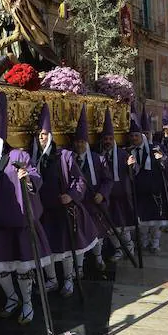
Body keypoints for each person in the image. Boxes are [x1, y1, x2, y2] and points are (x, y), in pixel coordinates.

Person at [0, 91, 51, 324]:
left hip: (19, 221)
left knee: (22, 267)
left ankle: (27, 303)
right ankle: (10, 298)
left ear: (0, 138)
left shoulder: (19, 154)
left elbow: (36, 176)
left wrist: (27, 176)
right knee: (0, 267)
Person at [32, 102, 97, 296]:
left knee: (67, 247)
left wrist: (71, 195)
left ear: (50, 136)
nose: (40, 138)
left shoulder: (65, 156)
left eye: (43, 134)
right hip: (44, 211)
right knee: (47, 248)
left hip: (63, 210)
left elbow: (80, 180)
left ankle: (68, 279)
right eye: (38, 135)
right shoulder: (33, 157)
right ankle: (51, 280)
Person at [72, 104, 113, 272]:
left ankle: (98, 258)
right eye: (78, 142)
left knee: (98, 234)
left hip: (94, 202)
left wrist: (102, 194)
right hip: (78, 205)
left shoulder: (98, 159)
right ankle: (79, 268)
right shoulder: (70, 159)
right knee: (79, 237)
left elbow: (108, 180)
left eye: (83, 142)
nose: (80, 145)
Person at [127, 111, 168, 253]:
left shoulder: (154, 149)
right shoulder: (130, 152)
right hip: (139, 191)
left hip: (155, 190)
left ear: (142, 137)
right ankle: (144, 241)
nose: (134, 138)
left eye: (136, 136)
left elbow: (166, 165)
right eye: (132, 136)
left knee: (155, 221)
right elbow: (130, 173)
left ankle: (155, 243)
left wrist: (162, 160)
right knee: (143, 221)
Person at [99, 108, 136, 261]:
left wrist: (131, 165)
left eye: (110, 138)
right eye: (105, 139)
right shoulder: (99, 156)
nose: (107, 141)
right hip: (107, 198)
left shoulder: (123, 154)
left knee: (123, 225)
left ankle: (129, 248)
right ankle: (119, 249)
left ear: (113, 139)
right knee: (109, 227)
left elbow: (133, 171)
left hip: (121, 195)